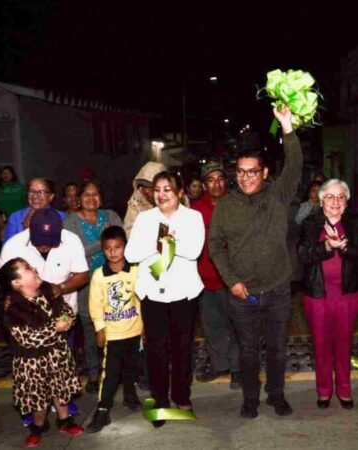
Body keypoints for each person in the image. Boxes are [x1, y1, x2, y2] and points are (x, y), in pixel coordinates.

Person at [209, 107, 302, 418]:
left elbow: (296, 166)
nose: (245, 177)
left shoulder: (278, 196)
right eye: (240, 171)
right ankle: (250, 398)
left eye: (252, 171)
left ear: (264, 173)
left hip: (277, 289)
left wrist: (287, 127)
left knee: (276, 349)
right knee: (248, 351)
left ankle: (276, 394)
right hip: (243, 293)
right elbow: (216, 248)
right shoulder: (225, 207)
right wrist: (231, 280)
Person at [126, 171, 204, 427]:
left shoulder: (193, 217)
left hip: (183, 293)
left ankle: (182, 395)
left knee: (182, 348)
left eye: (167, 189)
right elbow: (131, 253)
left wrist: (163, 243)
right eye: (157, 189)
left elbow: (193, 250)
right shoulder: (145, 218)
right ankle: (160, 400)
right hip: (153, 294)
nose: (161, 195)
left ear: (179, 192)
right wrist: (161, 241)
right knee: (156, 350)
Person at [298, 179, 358, 409]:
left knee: (344, 343)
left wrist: (346, 247)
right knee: (321, 344)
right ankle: (324, 390)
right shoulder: (310, 223)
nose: (335, 201)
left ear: (347, 202)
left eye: (341, 197)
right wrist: (327, 247)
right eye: (330, 196)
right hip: (317, 295)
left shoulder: (355, 223)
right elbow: (303, 254)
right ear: (320, 201)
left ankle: (345, 390)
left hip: (348, 295)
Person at [0, 258, 84, 447]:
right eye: (27, 269)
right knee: (38, 398)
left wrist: (67, 319)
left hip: (57, 354)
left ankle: (64, 420)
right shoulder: (13, 309)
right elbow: (27, 338)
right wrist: (55, 328)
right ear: (16, 282)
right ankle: (38, 426)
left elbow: (67, 310)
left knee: (61, 390)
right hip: (32, 362)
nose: (34, 269)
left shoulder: (48, 292)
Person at [64, 181, 123, 391]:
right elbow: (77, 253)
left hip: (113, 280)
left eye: (96, 194)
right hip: (86, 284)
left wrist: (106, 242)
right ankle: (94, 374)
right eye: (86, 195)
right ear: (78, 198)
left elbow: (119, 242)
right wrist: (102, 240)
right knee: (90, 331)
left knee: (117, 328)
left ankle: (118, 372)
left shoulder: (111, 216)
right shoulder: (70, 222)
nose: (91, 198)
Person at [86, 226, 143, 433]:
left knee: (132, 368)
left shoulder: (135, 270)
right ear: (103, 250)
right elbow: (95, 305)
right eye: (108, 248)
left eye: (118, 247)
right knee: (110, 373)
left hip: (134, 331)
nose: (113, 252)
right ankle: (103, 409)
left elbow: (140, 300)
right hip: (112, 334)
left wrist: (144, 325)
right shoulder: (99, 275)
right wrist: (100, 329)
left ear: (125, 247)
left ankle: (130, 396)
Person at [192, 161, 241, 388]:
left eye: (220, 178)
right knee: (212, 326)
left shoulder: (237, 204)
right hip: (204, 279)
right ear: (203, 184)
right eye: (210, 179)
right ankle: (219, 365)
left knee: (238, 325)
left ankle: (238, 368)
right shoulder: (194, 210)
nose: (216, 184)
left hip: (233, 279)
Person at [4, 177, 66, 242]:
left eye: (41, 192)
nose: (35, 196)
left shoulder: (61, 217)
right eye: (31, 191)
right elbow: (7, 248)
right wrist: (25, 232)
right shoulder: (15, 217)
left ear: (51, 196)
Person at [123, 161, 167, 236]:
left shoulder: (178, 199)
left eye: (150, 187)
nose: (146, 191)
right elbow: (129, 229)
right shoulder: (136, 201)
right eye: (144, 186)